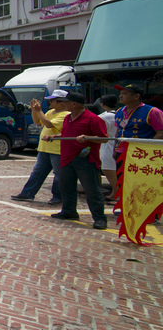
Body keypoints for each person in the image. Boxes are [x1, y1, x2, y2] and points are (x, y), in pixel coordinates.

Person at [48, 92, 109, 230]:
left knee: (91, 189)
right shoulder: (68, 118)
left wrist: (87, 137)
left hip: (85, 159)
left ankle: (99, 218)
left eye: (66, 102)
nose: (64, 104)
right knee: (66, 186)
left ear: (74, 104)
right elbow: (67, 134)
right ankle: (69, 211)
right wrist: (55, 136)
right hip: (66, 157)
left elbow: (103, 138)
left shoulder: (93, 119)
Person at [10, 89, 69, 204]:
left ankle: (58, 196)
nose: (50, 103)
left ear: (62, 102)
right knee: (37, 172)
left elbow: (48, 124)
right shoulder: (51, 112)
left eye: (53, 101)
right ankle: (28, 193)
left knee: (59, 175)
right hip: (45, 148)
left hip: (57, 149)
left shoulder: (66, 115)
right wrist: (34, 110)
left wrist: (39, 111)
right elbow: (37, 121)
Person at [96, 94, 119, 201]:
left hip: (108, 144)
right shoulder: (120, 114)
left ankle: (117, 192)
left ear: (102, 104)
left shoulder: (104, 117)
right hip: (115, 143)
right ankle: (115, 192)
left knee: (108, 168)